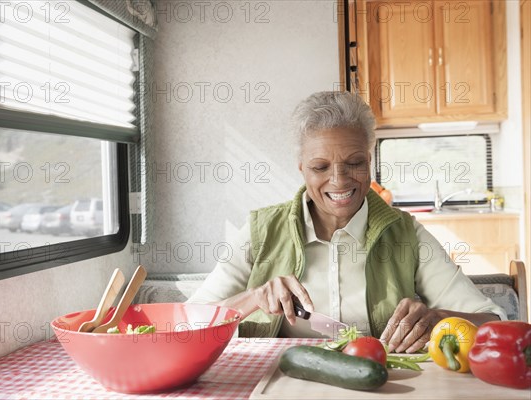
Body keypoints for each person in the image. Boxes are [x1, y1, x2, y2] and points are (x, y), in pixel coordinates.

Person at [188, 91, 506, 353]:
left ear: (369, 161)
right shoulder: (261, 231)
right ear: (301, 168)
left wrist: (438, 318)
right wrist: (254, 297)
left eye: (354, 163)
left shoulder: (406, 234)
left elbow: (492, 323)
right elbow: (190, 321)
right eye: (320, 166)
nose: (339, 181)